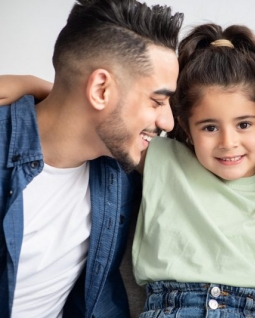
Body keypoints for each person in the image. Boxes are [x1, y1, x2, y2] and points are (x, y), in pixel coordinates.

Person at [131, 23, 255, 318]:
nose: (228, 142)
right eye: (210, 127)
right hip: (172, 308)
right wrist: (39, 88)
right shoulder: (162, 159)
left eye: (244, 124)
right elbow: (101, 123)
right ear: (186, 126)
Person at [0, 0, 183, 316]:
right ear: (100, 89)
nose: (168, 122)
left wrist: (41, 88)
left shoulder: (119, 163)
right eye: (157, 101)